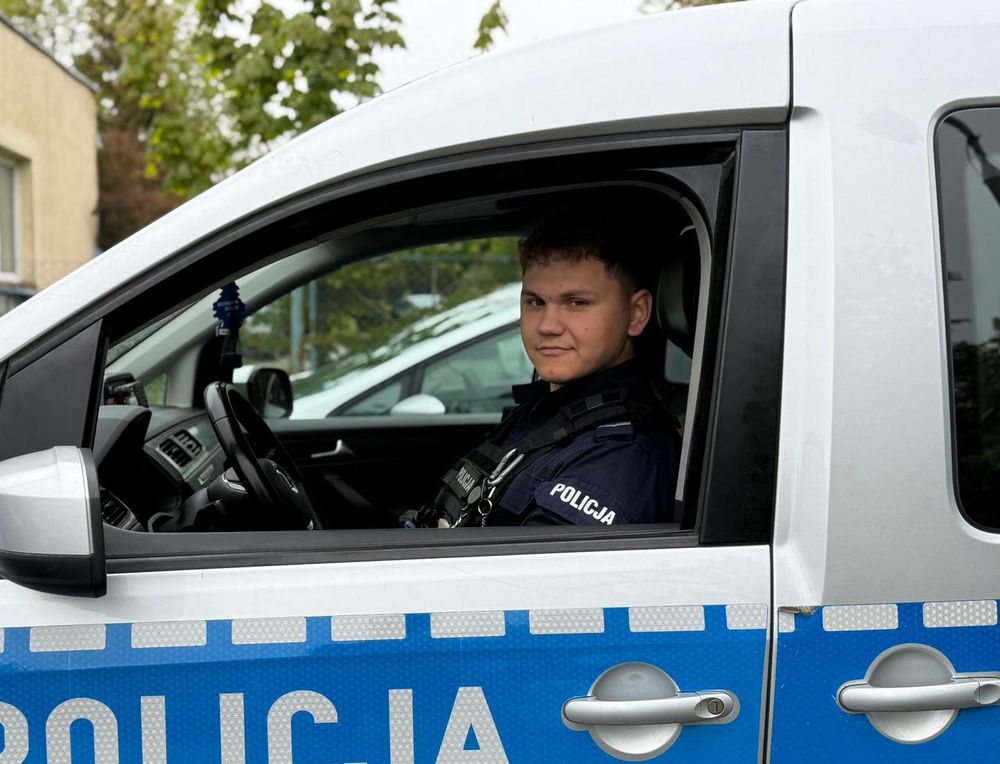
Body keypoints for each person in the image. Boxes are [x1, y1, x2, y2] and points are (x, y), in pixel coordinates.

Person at [417, 205, 680, 528]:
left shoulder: (621, 456)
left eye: (577, 303)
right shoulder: (547, 411)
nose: (547, 326)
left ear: (637, 313)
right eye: (535, 302)